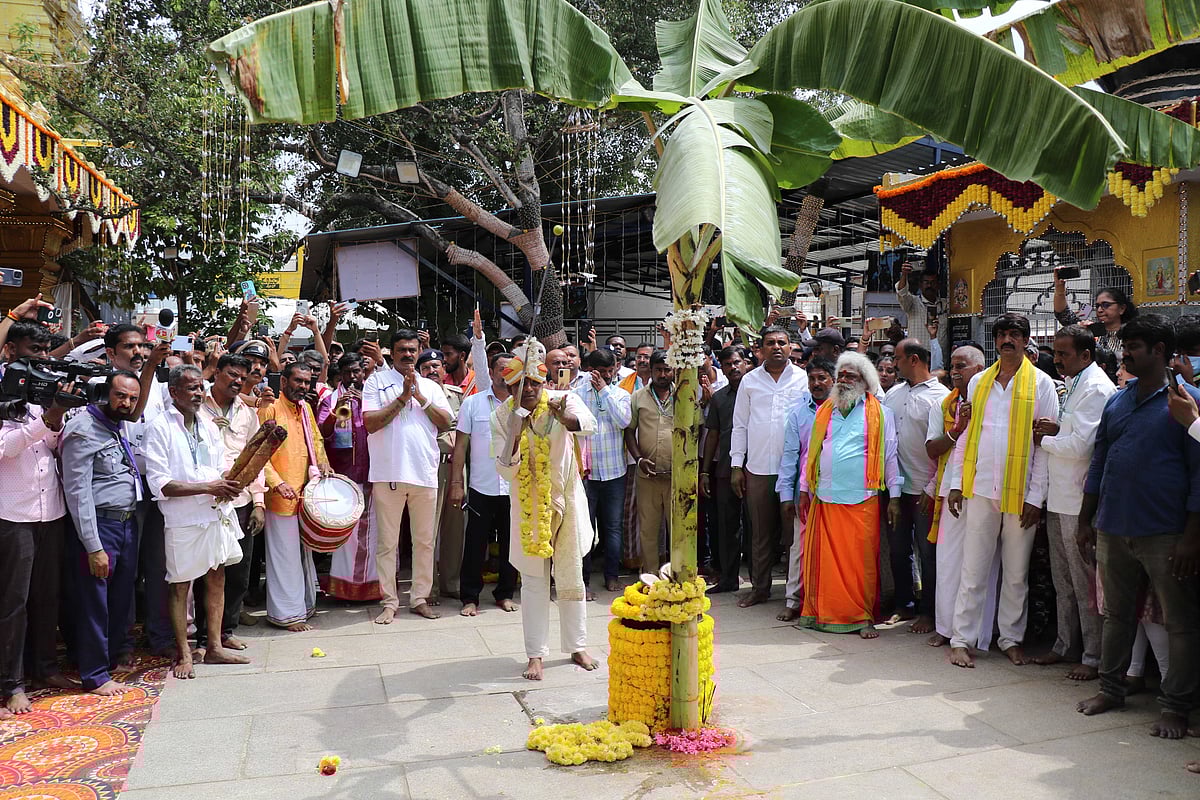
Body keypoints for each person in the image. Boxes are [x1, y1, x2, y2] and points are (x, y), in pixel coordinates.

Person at [1076, 314, 1200, 740]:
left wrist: (1190, 537)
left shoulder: (1187, 402)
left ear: (1160, 351)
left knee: (1179, 623)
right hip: (1113, 525)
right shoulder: (1118, 400)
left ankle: (1176, 707)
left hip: (1166, 534)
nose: (1125, 354)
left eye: (1134, 347)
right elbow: (1100, 462)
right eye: (1124, 346)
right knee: (1116, 616)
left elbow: (1199, 476)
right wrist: (1086, 519)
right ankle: (1111, 689)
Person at [947, 313, 1059, 668]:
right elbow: (966, 434)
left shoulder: (1042, 384)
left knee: (1015, 572)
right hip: (980, 488)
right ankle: (961, 639)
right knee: (973, 568)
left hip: (1021, 493)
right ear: (994, 341)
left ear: (1026, 341)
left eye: (1014, 334)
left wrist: (1035, 497)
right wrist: (954, 484)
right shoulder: (979, 382)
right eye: (1001, 335)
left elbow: (1043, 446)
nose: (1007, 340)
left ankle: (1010, 638)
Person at [492, 340, 598, 681]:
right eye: (522, 386)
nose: (530, 391)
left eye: (536, 384)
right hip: (527, 507)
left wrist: (565, 417)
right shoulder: (502, 416)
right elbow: (505, 471)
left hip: (565, 499)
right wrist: (514, 433)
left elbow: (589, 424)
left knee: (571, 576)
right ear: (509, 387)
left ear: (544, 382)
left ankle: (577, 646)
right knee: (534, 582)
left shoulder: (562, 400)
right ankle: (535, 655)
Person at [144, 365, 249, 679]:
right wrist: (210, 487)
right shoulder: (159, 426)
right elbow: (160, 484)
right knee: (180, 587)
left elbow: (218, 469)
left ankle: (215, 647)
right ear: (173, 392)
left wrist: (231, 483)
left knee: (217, 578)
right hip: (183, 518)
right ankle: (184, 654)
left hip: (215, 513)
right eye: (191, 389)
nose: (199, 394)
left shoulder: (207, 422)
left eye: (201, 388)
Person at [1029, 325, 1115, 680]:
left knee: (1084, 582)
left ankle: (1093, 656)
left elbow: (1082, 446)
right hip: (1060, 495)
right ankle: (1065, 645)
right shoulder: (1075, 382)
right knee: (1062, 579)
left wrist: (1045, 441)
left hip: (1079, 498)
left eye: (1063, 354)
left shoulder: (1096, 387)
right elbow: (1066, 432)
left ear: (1085, 355)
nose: (1057, 359)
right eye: (1056, 352)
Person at [0, 321, 76, 716]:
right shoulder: (2, 391)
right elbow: (5, 449)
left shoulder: (42, 393)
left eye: (46, 352)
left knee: (48, 596)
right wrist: (45, 421)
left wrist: (57, 418)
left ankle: (45, 668)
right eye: (33, 351)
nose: (42, 360)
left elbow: (53, 444)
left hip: (51, 510)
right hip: (12, 514)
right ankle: (10, 684)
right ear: (10, 351)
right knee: (13, 602)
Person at [797, 352, 902, 638]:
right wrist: (804, 489)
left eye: (850, 376)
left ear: (865, 382)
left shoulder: (881, 414)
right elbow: (811, 454)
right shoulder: (825, 411)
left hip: (862, 498)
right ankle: (823, 614)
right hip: (825, 497)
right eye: (841, 375)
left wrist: (894, 497)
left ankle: (861, 617)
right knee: (826, 564)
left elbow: (890, 456)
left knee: (861, 565)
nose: (843, 380)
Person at [60, 371, 143, 696]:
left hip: (126, 523)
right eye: (120, 396)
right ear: (104, 393)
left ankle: (106, 661)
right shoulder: (82, 430)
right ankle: (93, 674)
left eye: (133, 399)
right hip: (99, 526)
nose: (126, 403)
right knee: (94, 600)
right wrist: (93, 546)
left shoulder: (116, 427)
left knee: (119, 599)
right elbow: (77, 493)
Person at [363, 330, 452, 623]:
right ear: (391, 352)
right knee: (387, 543)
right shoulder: (376, 381)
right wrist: (402, 397)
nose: (408, 355)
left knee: (424, 541)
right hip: (388, 473)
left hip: (424, 472)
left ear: (419, 350)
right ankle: (389, 601)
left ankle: (419, 598)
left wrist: (420, 396)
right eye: (401, 350)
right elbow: (370, 424)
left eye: (412, 350)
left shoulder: (431, 386)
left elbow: (446, 422)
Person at [923, 344, 997, 649]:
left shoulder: (994, 402)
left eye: (961, 366)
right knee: (949, 561)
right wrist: (957, 430)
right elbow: (931, 449)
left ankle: (977, 635)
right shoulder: (944, 404)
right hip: (949, 488)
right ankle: (946, 627)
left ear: (979, 370)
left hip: (982, 489)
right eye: (952, 366)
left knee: (982, 564)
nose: (954, 372)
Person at [730, 327, 808, 607]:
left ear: (790, 347)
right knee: (760, 534)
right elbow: (739, 425)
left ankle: (794, 593)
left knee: (793, 535)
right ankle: (760, 588)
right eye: (770, 343)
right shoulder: (750, 381)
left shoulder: (803, 379)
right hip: (759, 468)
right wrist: (737, 465)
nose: (776, 347)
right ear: (760, 349)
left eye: (781, 343)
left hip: (794, 469)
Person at [258, 362, 335, 631]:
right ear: (283, 382)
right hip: (280, 495)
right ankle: (287, 615)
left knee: (302, 554)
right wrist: (277, 483)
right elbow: (257, 455)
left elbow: (316, 441)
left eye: (307, 382)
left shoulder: (305, 409)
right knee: (284, 556)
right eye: (298, 381)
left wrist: (323, 463)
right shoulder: (269, 408)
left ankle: (303, 606)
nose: (303, 386)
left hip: (305, 493)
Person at [197, 354, 267, 648]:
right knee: (207, 571)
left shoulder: (247, 414)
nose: (238, 381)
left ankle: (227, 631)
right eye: (232, 374)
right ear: (216, 373)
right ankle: (204, 636)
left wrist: (259, 502)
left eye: (243, 376)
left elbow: (258, 458)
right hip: (206, 499)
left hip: (241, 501)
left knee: (239, 571)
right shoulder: (196, 405)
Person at [883, 338, 949, 633]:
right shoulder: (893, 394)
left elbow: (946, 448)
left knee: (928, 552)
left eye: (896, 358)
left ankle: (930, 612)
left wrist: (933, 487)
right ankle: (904, 604)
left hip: (926, 490)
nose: (892, 363)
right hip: (896, 489)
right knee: (898, 550)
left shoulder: (941, 396)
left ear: (913, 360)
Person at [448, 351, 519, 616]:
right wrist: (457, 483)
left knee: (511, 544)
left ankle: (505, 594)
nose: (504, 374)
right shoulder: (473, 404)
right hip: (481, 486)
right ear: (490, 371)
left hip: (514, 486)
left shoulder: (523, 404)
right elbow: (460, 446)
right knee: (475, 544)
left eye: (510, 369)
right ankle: (470, 598)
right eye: (500, 368)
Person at [316, 353, 380, 602]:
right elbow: (322, 433)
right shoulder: (332, 399)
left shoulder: (373, 396)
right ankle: (345, 590)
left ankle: (376, 587)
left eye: (357, 372)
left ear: (363, 372)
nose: (354, 377)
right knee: (348, 535)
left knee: (375, 533)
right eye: (348, 373)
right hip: (344, 477)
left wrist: (364, 401)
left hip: (375, 473)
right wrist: (336, 410)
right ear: (340, 374)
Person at [776, 356, 835, 622]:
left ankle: (825, 603)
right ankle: (793, 600)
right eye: (812, 379)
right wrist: (786, 495)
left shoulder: (843, 411)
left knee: (831, 549)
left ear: (833, 380)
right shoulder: (800, 413)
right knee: (799, 548)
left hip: (837, 492)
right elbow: (790, 456)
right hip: (806, 493)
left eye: (822, 378)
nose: (816, 383)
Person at [574, 347, 632, 594]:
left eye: (611, 371)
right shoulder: (576, 394)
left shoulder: (620, 394)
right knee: (585, 528)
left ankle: (611, 576)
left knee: (613, 528)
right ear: (590, 370)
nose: (607, 376)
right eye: (602, 372)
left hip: (614, 472)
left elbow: (624, 422)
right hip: (586, 474)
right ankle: (584, 581)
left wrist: (605, 391)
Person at [701, 347, 751, 593]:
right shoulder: (719, 398)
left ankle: (758, 582)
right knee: (726, 526)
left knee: (755, 527)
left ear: (745, 363)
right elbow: (712, 435)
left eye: (737, 362)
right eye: (728, 364)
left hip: (756, 467)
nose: (733, 367)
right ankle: (728, 578)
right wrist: (705, 471)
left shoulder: (757, 391)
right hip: (724, 469)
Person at [418, 347, 466, 601]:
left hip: (454, 466)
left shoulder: (457, 395)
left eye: (436, 366)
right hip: (427, 468)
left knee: (455, 527)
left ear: (444, 369)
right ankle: (427, 589)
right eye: (425, 368)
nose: (432, 371)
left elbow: (459, 433)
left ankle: (450, 582)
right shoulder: (414, 397)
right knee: (428, 530)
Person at [625, 350, 674, 574]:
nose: (663, 374)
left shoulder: (684, 395)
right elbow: (629, 432)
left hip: (677, 477)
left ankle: (678, 577)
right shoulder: (638, 397)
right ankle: (650, 578)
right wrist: (639, 459)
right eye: (658, 370)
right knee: (648, 530)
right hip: (648, 475)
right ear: (651, 370)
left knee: (678, 531)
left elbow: (698, 429)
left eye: (667, 369)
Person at [1054, 280, 1135, 367]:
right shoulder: (1090, 330)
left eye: (1106, 305)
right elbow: (1064, 316)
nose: (1100, 310)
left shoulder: (1132, 333)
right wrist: (1059, 289)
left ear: (1122, 308)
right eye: (1097, 306)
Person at [895, 260, 947, 354]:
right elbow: (902, 293)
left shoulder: (945, 305)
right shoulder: (912, 303)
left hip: (940, 361)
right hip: (917, 361)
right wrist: (904, 275)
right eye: (926, 282)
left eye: (933, 282)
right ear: (920, 285)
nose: (929, 285)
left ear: (938, 285)